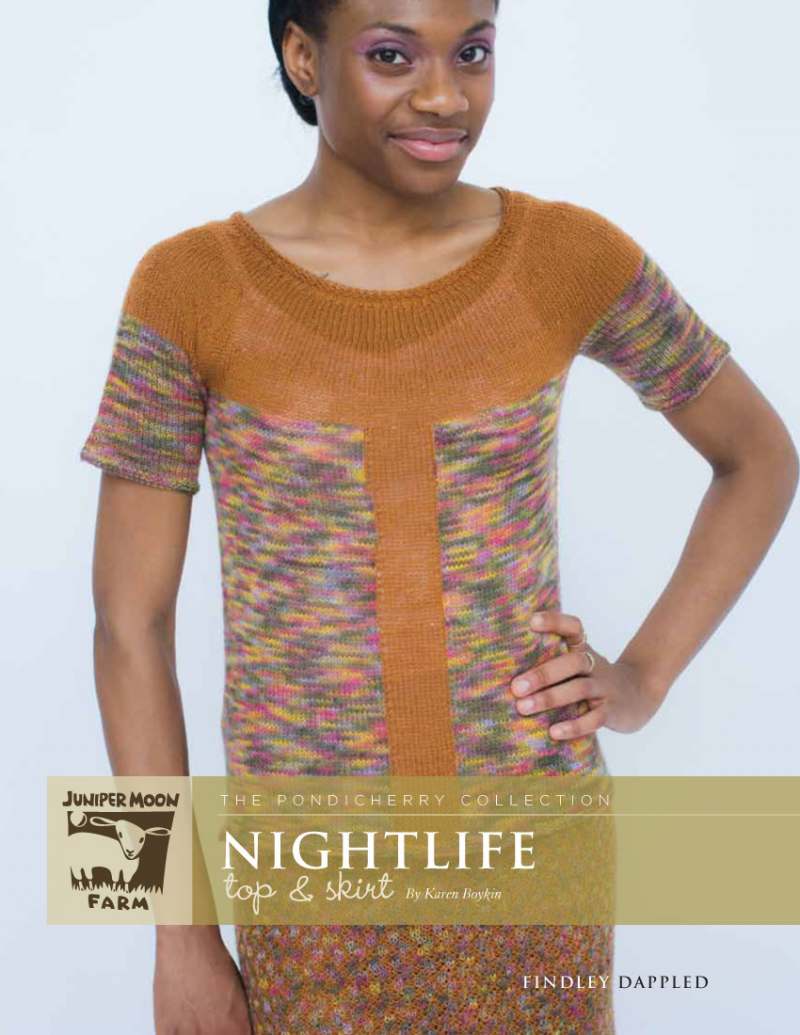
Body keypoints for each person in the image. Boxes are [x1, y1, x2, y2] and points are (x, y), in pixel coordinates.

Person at [79, 1, 798, 1032]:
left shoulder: (564, 257)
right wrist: (174, 937)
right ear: (302, 57)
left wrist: (641, 680)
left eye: (472, 52)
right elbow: (126, 627)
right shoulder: (188, 289)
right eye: (390, 55)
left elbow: (759, 456)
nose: (443, 95)